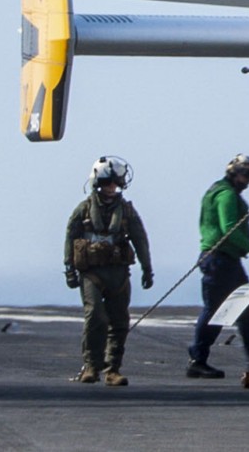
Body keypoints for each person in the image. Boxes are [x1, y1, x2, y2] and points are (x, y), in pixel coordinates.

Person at [64, 156, 153, 386]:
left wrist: (147, 268)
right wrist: (69, 270)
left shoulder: (127, 212)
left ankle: (112, 368)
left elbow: (140, 239)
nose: (111, 188)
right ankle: (91, 366)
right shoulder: (83, 210)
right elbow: (70, 237)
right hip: (91, 273)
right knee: (95, 317)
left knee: (119, 321)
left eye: (115, 183)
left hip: (118, 273)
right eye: (107, 183)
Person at [189, 155, 249, 379]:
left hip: (223, 259)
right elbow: (229, 229)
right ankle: (198, 358)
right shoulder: (226, 195)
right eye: (245, 175)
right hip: (220, 259)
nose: (248, 181)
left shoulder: (216, 190)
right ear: (233, 172)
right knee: (220, 311)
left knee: (244, 311)